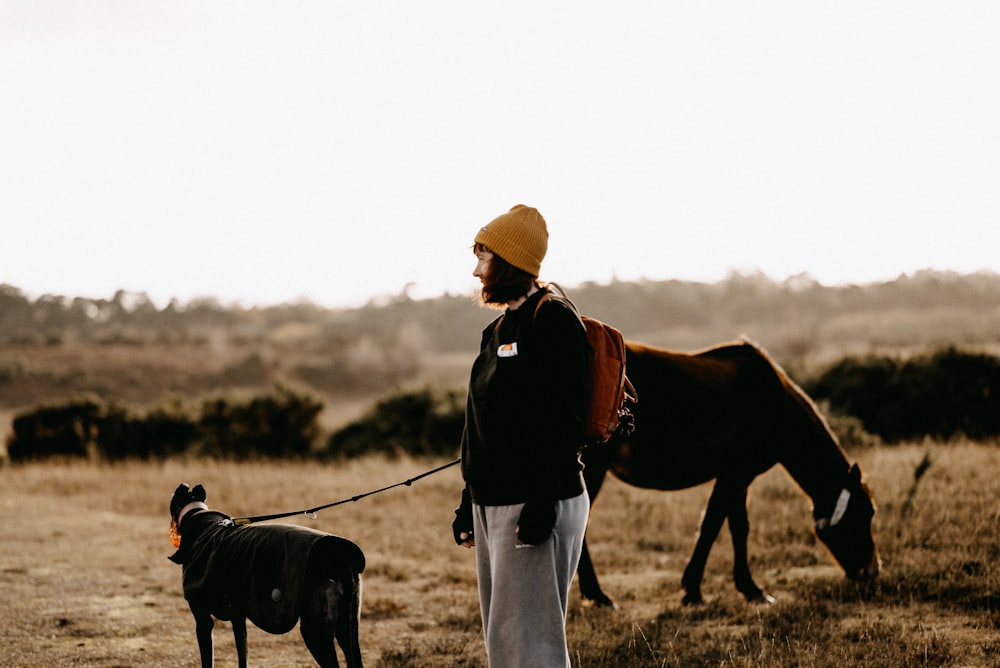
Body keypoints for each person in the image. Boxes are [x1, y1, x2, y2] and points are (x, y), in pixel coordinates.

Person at [452, 204, 591, 667]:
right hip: (493, 501)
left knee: (530, 647)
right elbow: (483, 421)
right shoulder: (497, 329)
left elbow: (564, 420)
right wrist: (468, 500)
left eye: (483, 257)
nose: (476, 271)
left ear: (510, 262)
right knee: (507, 641)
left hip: (535, 502)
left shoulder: (551, 320)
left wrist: (540, 502)